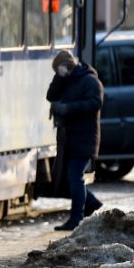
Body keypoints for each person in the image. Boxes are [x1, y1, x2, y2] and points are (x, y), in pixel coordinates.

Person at [47, 50, 104, 231]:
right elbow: (51, 96)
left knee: (75, 177)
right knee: (69, 177)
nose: (57, 73)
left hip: (85, 137)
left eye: (58, 69)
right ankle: (92, 203)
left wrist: (68, 108)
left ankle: (76, 218)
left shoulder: (90, 80)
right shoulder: (67, 80)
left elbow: (95, 103)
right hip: (70, 138)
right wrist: (59, 78)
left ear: (66, 65)